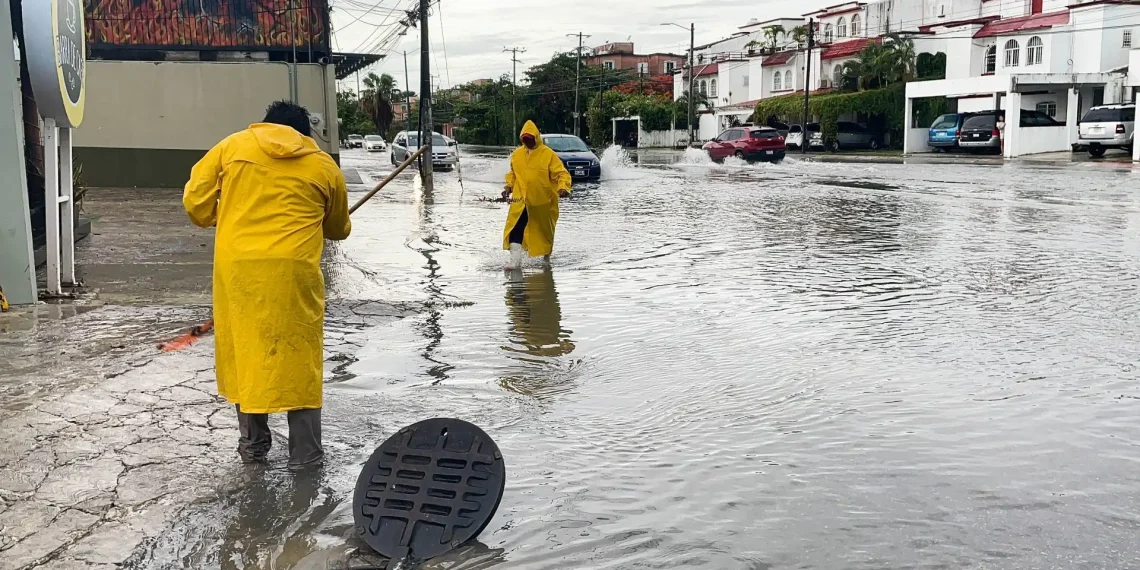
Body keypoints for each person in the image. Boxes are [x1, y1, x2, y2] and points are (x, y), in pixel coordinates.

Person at [183, 101, 351, 468]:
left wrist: (223, 215)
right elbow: (338, 229)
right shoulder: (324, 165)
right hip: (293, 274)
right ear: (306, 134)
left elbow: (195, 204)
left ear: (264, 125)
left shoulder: (231, 148)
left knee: (246, 350)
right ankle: (306, 458)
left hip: (238, 271)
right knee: (299, 358)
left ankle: (253, 450)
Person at [501, 121, 572, 270]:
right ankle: (515, 262)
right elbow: (513, 174)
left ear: (536, 138)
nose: (527, 142)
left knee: (544, 232)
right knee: (515, 228)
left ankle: (546, 257)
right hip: (521, 201)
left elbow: (561, 173)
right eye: (524, 139)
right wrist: (508, 187)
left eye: (530, 139)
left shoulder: (548, 154)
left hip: (542, 202)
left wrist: (563, 188)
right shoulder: (517, 154)